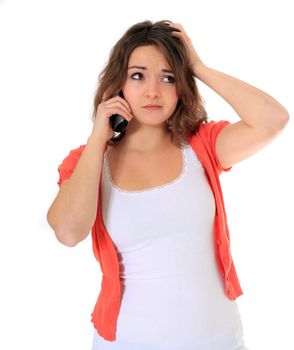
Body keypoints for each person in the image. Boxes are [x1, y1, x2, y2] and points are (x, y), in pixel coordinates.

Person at [47, 20, 289, 350]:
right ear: (118, 83)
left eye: (169, 77)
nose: (153, 91)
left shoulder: (203, 146)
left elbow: (273, 119)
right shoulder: (88, 161)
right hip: (127, 342)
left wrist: (198, 67)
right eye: (138, 75)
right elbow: (68, 232)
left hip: (216, 340)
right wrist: (97, 139)